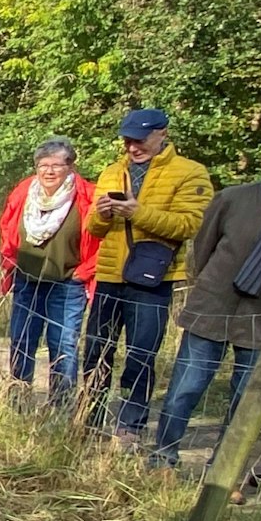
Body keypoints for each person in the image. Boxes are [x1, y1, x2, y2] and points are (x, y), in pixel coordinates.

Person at [150, 136, 261, 467]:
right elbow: (201, 249)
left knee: (246, 399)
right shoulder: (235, 199)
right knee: (186, 388)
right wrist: (209, 286)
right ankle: (162, 459)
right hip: (214, 306)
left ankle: (223, 470)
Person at [80, 108, 214, 439]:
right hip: (111, 275)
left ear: (162, 134)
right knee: (97, 349)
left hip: (153, 278)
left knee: (141, 354)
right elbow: (93, 228)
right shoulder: (112, 172)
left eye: (139, 140)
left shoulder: (190, 173)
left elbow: (190, 224)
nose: (132, 147)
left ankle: (131, 424)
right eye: (127, 140)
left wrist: (139, 213)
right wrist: (102, 214)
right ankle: (90, 418)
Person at [0, 137, 97, 407]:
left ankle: (60, 409)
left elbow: (101, 239)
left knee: (63, 346)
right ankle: (17, 403)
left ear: (71, 166)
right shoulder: (24, 192)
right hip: (27, 281)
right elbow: (7, 226)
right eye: (43, 165)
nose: (49, 171)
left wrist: (84, 272)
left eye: (56, 165)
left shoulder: (86, 195)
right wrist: (10, 262)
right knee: (21, 342)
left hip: (67, 285)